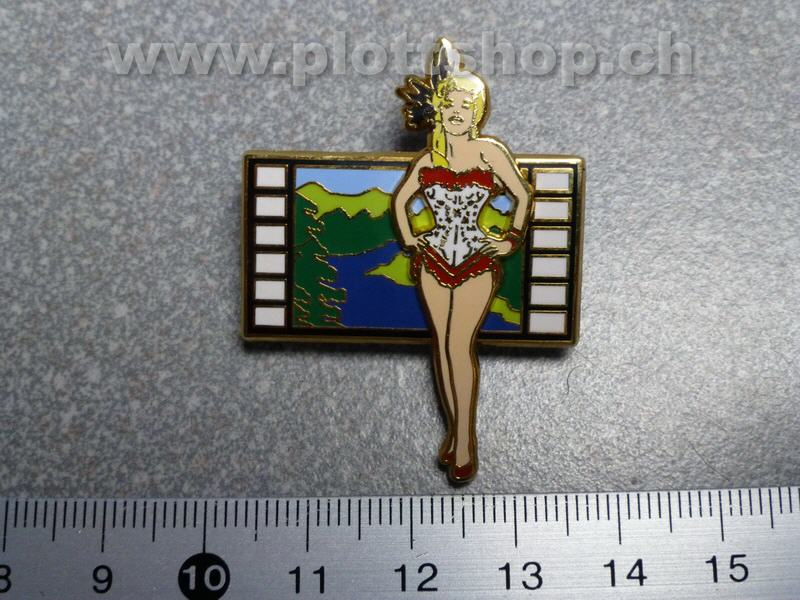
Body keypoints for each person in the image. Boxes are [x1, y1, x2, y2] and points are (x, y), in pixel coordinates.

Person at [393, 39, 533, 483]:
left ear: (477, 113)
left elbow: (521, 193)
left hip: (476, 261)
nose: (458, 112)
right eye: (451, 104)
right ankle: (454, 435)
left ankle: (466, 439)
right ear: (440, 108)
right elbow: (401, 201)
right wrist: (413, 240)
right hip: (433, 261)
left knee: (459, 346)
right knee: (441, 345)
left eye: (467, 106)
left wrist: (510, 240)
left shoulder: (490, 152)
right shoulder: (428, 158)